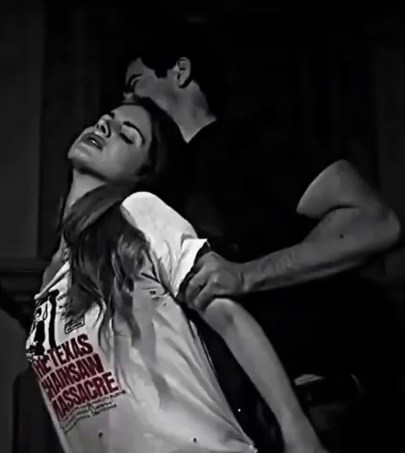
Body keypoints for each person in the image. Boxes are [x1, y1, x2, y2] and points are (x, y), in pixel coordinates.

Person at [122, 22, 403, 446]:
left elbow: (376, 221)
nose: (126, 100)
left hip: (312, 408)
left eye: (135, 84)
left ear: (180, 72)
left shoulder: (252, 143)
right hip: (228, 422)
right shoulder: (161, 185)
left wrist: (247, 275)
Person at [26, 97, 326, 453]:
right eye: (106, 119)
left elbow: (229, 317)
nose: (104, 126)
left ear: (144, 174)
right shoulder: (50, 283)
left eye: (127, 135)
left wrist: (296, 429)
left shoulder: (138, 215)